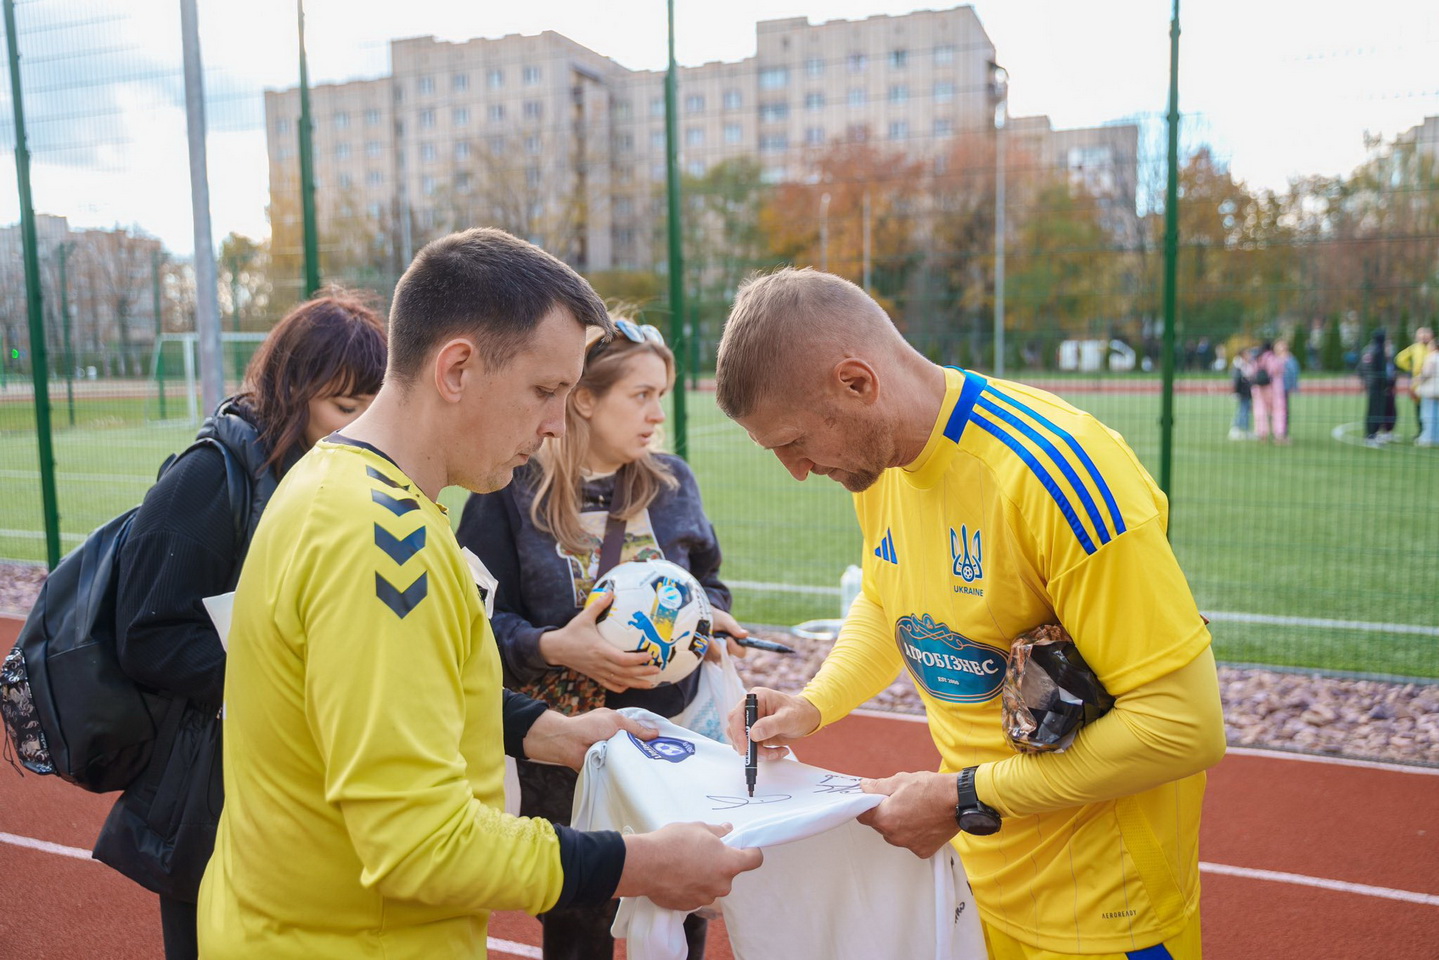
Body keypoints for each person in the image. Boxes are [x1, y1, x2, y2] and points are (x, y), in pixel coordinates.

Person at [196, 228, 760, 960]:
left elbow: (382, 698)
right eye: (545, 391)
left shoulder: (335, 484)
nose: (558, 422)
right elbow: (418, 847)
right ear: (457, 369)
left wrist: (546, 732)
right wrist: (639, 862)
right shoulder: (381, 540)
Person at [714, 268, 1225, 960]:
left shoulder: (1057, 472)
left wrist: (959, 796)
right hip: (974, 881)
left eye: (793, 443)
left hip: (1107, 910)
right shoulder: (878, 462)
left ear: (856, 383)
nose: (796, 472)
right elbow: (887, 595)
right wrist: (812, 705)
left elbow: (1182, 726)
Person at [97, 290, 389, 960]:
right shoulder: (210, 476)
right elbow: (146, 637)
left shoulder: (348, 474)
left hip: (306, 782)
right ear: (291, 390)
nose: (364, 426)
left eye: (376, 408)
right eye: (346, 408)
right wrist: (287, 672)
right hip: (215, 791)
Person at [456, 316, 749, 960]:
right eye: (640, 396)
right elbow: (472, 626)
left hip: (670, 737)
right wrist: (557, 646)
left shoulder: (672, 483)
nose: (655, 416)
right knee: (581, 918)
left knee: (681, 902)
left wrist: (710, 622)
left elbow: (709, 584)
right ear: (584, 398)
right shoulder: (513, 487)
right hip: (568, 749)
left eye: (660, 397)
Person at [1358, 330, 1395, 447]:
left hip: (1371, 384)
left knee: (1372, 409)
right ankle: (1372, 435)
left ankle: (1371, 433)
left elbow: (1361, 368)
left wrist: (1365, 380)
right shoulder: (1378, 350)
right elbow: (1381, 370)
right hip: (1378, 385)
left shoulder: (1368, 349)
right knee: (1376, 410)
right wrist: (1386, 384)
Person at [1396, 326, 1434, 440]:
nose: (1423, 337)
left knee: (1432, 408)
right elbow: (1400, 359)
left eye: (1426, 334)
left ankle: (1431, 432)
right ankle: (1422, 431)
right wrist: (1410, 368)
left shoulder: (1433, 348)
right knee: (1419, 408)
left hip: (1432, 381)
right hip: (1418, 382)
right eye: (1421, 335)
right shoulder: (1414, 348)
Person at [1252, 340, 1289, 444]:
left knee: (1260, 411)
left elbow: (1252, 372)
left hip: (1259, 389)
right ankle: (1279, 435)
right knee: (1278, 411)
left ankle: (1262, 434)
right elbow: (1278, 370)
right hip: (1274, 388)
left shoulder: (1257, 358)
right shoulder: (1273, 358)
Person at [1414, 337, 1439, 447]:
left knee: (1427, 415)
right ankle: (1436, 437)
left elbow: (1426, 374)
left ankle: (1427, 437)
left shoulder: (1431, 357)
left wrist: (1417, 380)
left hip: (1430, 389)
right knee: (1436, 415)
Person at [1229, 345, 1255, 440]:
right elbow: (1236, 381)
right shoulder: (1238, 365)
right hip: (1242, 392)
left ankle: (1243, 429)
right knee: (1243, 410)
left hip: (1246, 392)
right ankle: (1237, 429)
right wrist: (1236, 392)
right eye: (1247, 353)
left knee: (1244, 410)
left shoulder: (1245, 364)